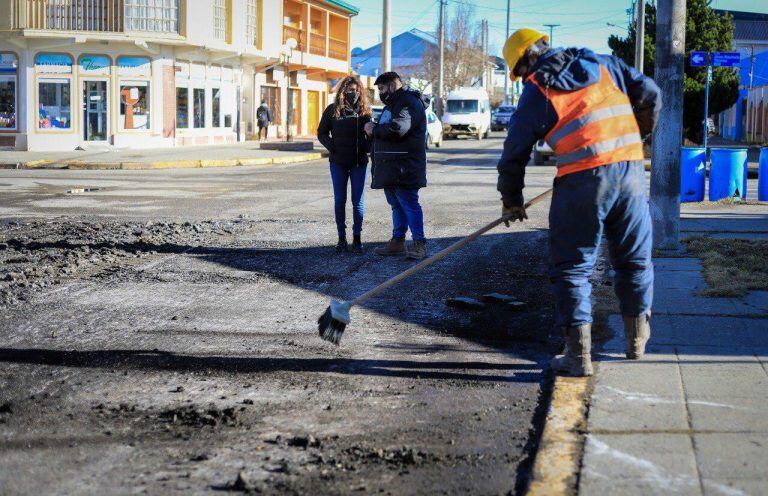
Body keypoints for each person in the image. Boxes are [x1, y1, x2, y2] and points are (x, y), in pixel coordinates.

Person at [496, 29, 662, 376]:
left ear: (526, 61)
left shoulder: (537, 89)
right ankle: (636, 342)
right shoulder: (603, 63)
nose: (524, 78)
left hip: (582, 181)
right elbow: (651, 93)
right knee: (634, 258)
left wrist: (512, 200)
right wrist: (639, 134)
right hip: (630, 173)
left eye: (521, 72)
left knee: (573, 266)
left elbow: (514, 151)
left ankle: (578, 356)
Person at [365, 72, 429, 260]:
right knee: (396, 205)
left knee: (408, 203)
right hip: (391, 166)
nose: (380, 93)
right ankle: (398, 242)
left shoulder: (407, 102)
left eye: (382, 89)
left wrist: (373, 129)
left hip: (404, 166)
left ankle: (419, 244)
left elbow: (399, 128)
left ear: (393, 85)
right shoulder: (393, 104)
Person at [317, 75, 372, 253]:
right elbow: (321, 132)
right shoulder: (332, 110)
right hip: (338, 162)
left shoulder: (365, 112)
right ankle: (341, 238)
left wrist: (366, 148)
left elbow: (371, 136)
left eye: (356, 91)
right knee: (340, 200)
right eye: (349, 90)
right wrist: (333, 147)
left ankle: (357, 238)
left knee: (358, 202)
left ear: (360, 92)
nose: (352, 94)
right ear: (342, 92)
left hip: (359, 163)